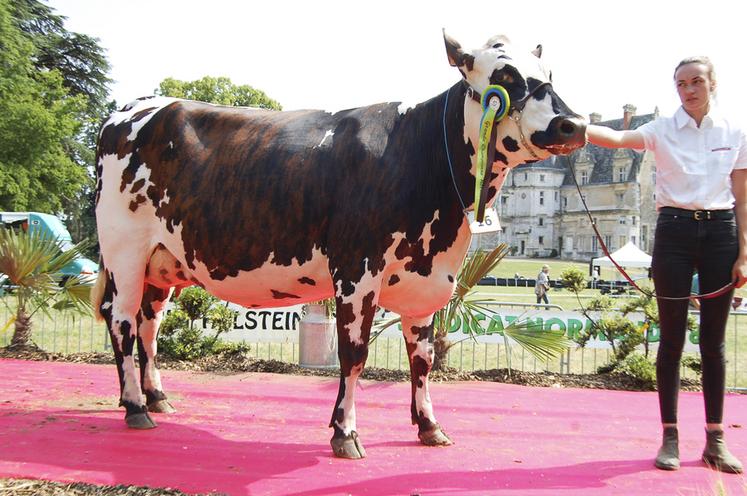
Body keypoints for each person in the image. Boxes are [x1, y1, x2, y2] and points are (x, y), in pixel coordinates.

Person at [586, 56, 747, 473]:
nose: (688, 89)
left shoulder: (736, 129)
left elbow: (743, 198)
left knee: (714, 343)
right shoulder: (660, 130)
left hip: (722, 232)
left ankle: (715, 439)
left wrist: (744, 253)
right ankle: (670, 437)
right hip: (673, 231)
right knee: (671, 339)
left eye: (696, 82)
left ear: (713, 83)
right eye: (680, 83)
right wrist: (574, 126)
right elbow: (619, 140)